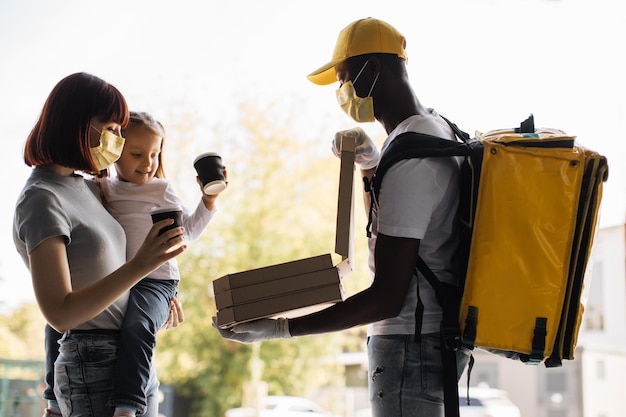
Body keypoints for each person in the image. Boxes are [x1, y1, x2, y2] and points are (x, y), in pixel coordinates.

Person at [214, 17, 471, 417]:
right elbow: (392, 232)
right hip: (427, 342)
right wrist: (370, 165)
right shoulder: (436, 132)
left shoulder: (412, 157)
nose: (341, 92)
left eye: (345, 78)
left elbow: (387, 297)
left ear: (374, 70)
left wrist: (282, 328)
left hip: (410, 347)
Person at [13, 72, 186, 417]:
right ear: (76, 123)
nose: (118, 142)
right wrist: (141, 266)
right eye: (111, 129)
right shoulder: (41, 199)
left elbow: (103, 268)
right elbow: (59, 314)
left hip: (131, 362)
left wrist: (156, 296)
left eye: (121, 132)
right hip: (92, 363)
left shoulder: (87, 189)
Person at [42, 111, 227, 417]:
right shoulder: (103, 188)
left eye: (155, 154)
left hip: (157, 280)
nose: (148, 163)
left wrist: (208, 202)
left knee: (139, 326)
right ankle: (52, 402)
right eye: (137, 154)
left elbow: (188, 232)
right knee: (56, 323)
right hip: (119, 278)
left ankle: (127, 406)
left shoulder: (161, 189)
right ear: (115, 153)